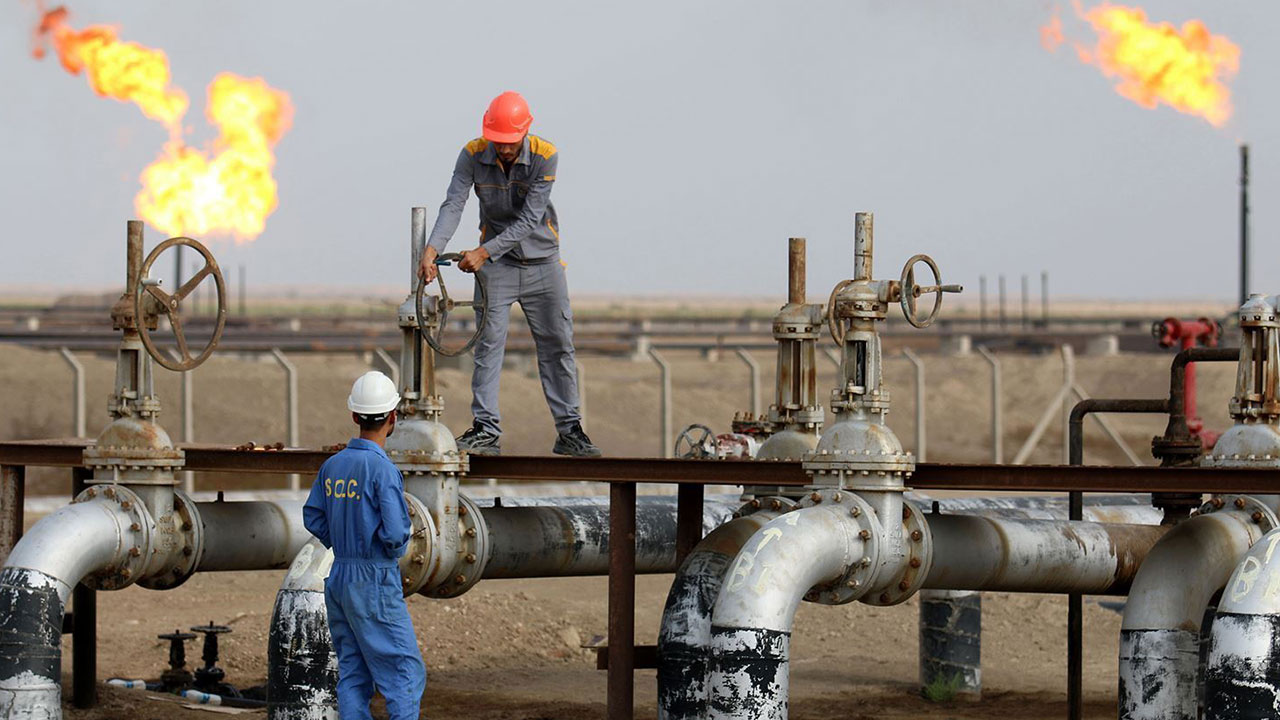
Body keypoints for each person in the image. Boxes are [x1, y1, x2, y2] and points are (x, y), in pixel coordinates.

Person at [419, 90, 600, 458]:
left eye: (509, 142)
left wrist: (484, 252)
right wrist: (432, 247)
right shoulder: (472, 153)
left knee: (557, 346)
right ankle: (486, 429)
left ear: (525, 133)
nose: (502, 149)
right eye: (496, 142)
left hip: (542, 263)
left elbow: (530, 219)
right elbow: (454, 203)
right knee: (488, 346)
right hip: (498, 268)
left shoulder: (546, 156)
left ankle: (570, 430)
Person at [302, 371, 426, 720]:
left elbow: (313, 516)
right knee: (403, 673)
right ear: (393, 418)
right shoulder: (382, 469)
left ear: (355, 417)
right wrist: (379, 550)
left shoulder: (333, 465)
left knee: (354, 673)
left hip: (340, 576)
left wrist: (343, 543)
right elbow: (397, 533)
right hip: (373, 578)